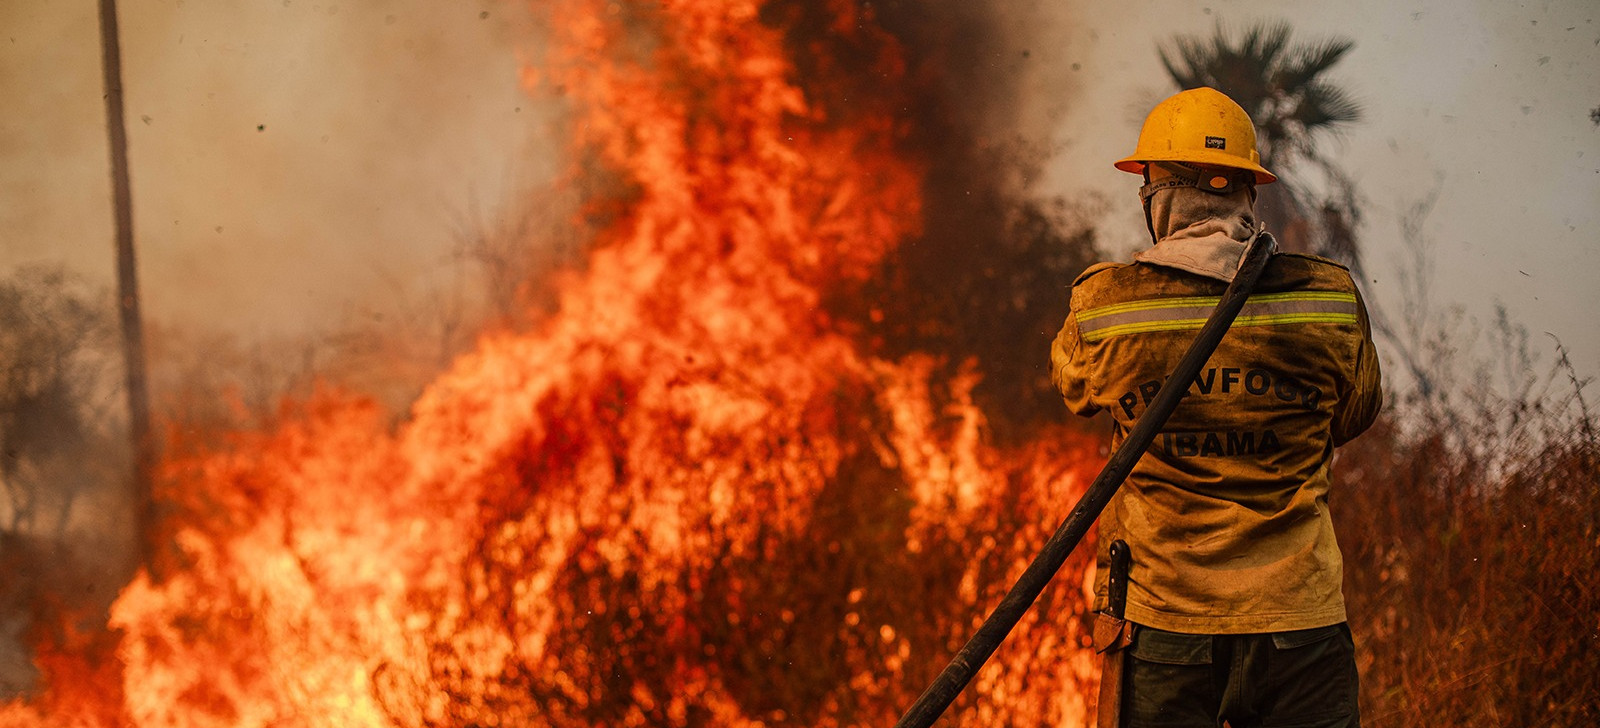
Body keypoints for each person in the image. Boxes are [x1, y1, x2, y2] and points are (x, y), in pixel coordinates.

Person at [1051, 87, 1382, 727]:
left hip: (1165, 630)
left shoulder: (1108, 306)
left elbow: (1075, 390)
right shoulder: (1330, 300)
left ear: (1160, 198)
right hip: (1300, 626)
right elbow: (1353, 414)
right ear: (1246, 191)